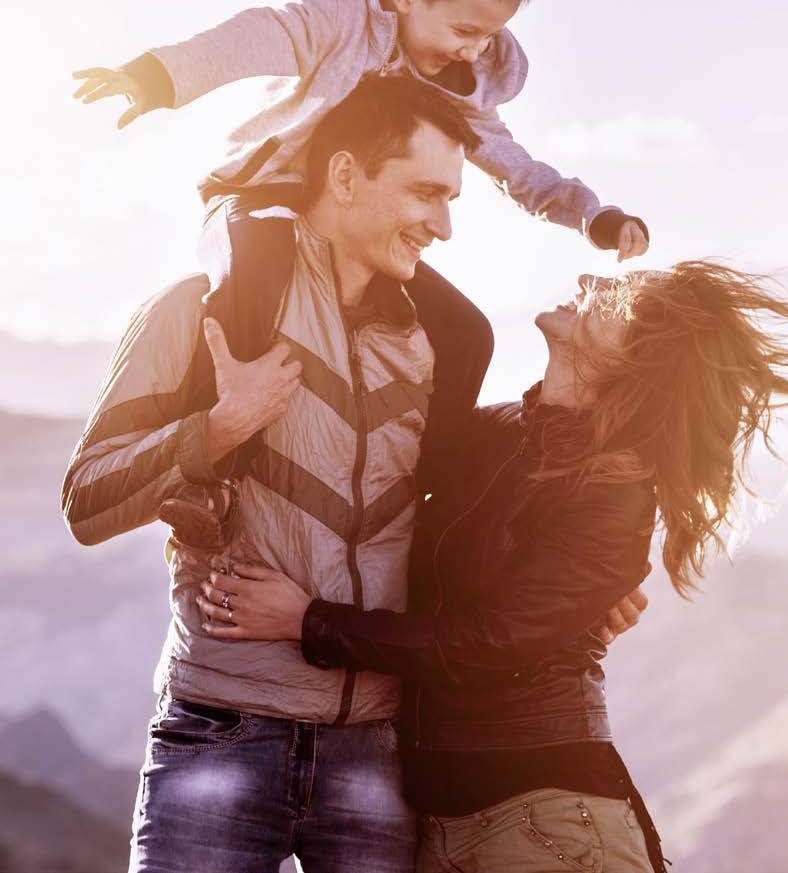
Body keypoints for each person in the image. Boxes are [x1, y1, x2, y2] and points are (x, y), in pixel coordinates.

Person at [61, 75, 636, 873]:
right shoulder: (202, 311)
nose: (442, 225)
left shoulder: (445, 345)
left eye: (451, 199)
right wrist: (221, 425)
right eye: (425, 193)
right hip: (221, 728)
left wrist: (579, 589)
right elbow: (86, 502)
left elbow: (463, 508)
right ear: (343, 176)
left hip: (378, 750)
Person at [195, 261, 788, 872]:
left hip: (547, 822)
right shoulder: (496, 433)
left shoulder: (614, 492)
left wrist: (309, 621)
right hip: (437, 827)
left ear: (635, 356)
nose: (589, 277)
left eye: (619, 297)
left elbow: (493, 642)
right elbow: (431, 316)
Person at [69, 0, 649, 546]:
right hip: (264, 195)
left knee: (468, 333)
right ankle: (217, 479)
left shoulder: (460, 85)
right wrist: (158, 76)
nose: (473, 52)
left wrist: (593, 216)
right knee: (256, 272)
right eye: (464, 31)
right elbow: (261, 35)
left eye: (490, 36)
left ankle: (419, 491)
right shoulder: (343, 19)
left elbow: (513, 164)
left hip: (354, 233)